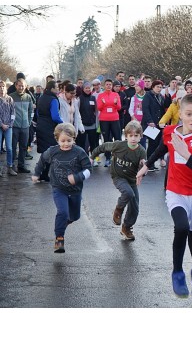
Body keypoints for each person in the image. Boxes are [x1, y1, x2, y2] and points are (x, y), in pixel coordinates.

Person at [136, 94, 192, 303]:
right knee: (181, 227)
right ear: (179, 114)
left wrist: (187, 154)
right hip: (175, 191)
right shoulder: (171, 132)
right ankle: (177, 272)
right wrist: (146, 166)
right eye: (188, 114)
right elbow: (163, 147)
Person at [32, 123, 92, 253]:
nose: (66, 144)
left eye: (69, 141)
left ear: (74, 139)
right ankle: (59, 238)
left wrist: (77, 177)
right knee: (62, 212)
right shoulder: (53, 151)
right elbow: (42, 160)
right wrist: (37, 173)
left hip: (75, 190)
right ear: (57, 140)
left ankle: (63, 224)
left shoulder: (79, 152)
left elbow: (88, 170)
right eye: (62, 141)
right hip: (58, 188)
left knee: (74, 217)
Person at [90, 121, 146, 241]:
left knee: (135, 208)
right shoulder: (119, 145)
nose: (133, 138)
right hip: (118, 176)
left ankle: (126, 227)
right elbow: (102, 147)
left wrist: (143, 167)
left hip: (132, 179)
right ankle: (118, 209)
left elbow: (143, 168)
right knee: (128, 193)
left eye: (136, 136)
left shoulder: (141, 151)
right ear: (126, 136)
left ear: (141, 137)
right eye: (130, 136)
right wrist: (91, 157)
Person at [36, 80, 64, 181]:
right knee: (51, 151)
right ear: (52, 89)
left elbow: (37, 113)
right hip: (49, 127)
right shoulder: (53, 100)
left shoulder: (41, 98)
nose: (58, 89)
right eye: (56, 87)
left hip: (41, 126)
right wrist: (64, 123)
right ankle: (45, 174)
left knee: (44, 152)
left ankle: (40, 173)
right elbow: (55, 116)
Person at [10, 77, 34, 174]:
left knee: (24, 147)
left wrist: (29, 121)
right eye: (19, 86)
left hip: (25, 126)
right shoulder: (11, 97)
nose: (21, 87)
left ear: (25, 86)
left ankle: (21, 166)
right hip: (14, 126)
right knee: (12, 146)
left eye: (23, 86)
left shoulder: (28, 97)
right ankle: (10, 166)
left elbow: (31, 111)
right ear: (16, 86)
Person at [96, 79, 122, 167]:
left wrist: (115, 103)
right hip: (104, 119)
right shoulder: (100, 95)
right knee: (106, 139)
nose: (108, 86)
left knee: (117, 138)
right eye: (107, 84)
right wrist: (103, 103)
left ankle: (118, 158)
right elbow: (99, 108)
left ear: (112, 86)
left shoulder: (116, 94)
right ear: (104, 85)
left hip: (114, 118)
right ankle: (108, 158)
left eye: (110, 84)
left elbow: (119, 107)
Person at [142, 79, 166, 164]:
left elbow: (164, 108)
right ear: (153, 87)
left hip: (159, 123)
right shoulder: (148, 96)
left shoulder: (161, 97)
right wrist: (150, 121)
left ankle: (152, 162)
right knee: (152, 143)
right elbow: (145, 109)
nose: (159, 89)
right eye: (157, 87)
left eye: (160, 87)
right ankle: (149, 163)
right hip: (151, 123)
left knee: (157, 143)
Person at [76, 81, 98, 161]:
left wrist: (96, 122)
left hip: (92, 124)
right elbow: (77, 111)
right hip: (83, 125)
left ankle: (94, 158)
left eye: (89, 88)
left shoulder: (93, 98)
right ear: (83, 89)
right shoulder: (79, 98)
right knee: (82, 143)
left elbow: (96, 111)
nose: (88, 89)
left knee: (93, 143)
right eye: (86, 88)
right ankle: (83, 159)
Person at [0, 80, 17, 176]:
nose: (1, 88)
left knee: (9, 148)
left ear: (5, 88)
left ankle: (10, 167)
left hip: (9, 127)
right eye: (0, 86)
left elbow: (13, 113)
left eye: (3, 86)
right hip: (0, 126)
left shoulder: (9, 99)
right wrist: (1, 124)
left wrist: (10, 124)